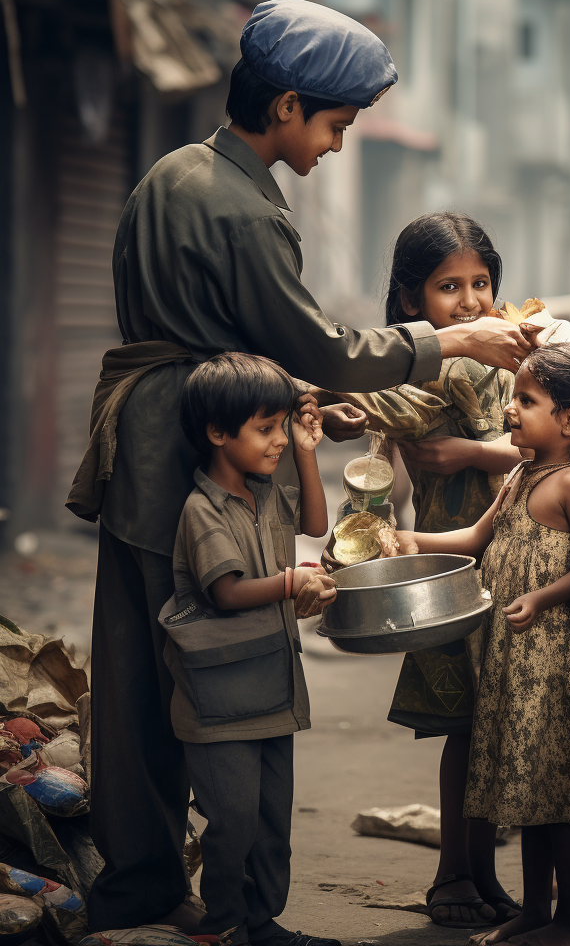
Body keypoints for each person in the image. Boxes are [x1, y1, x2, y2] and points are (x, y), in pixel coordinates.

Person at [66, 0, 530, 932]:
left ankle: (143, 878)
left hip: (144, 445)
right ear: (284, 107)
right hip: (202, 461)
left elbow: (229, 341)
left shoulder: (168, 174)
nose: (337, 145)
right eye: (334, 124)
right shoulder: (245, 211)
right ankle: (245, 905)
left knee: (132, 681)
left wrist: (295, 395)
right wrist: (460, 340)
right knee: (227, 672)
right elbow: (319, 346)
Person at [322, 213, 522, 928]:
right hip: (457, 570)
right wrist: (344, 404)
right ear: (411, 302)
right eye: (448, 287)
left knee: (483, 729)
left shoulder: (506, 359)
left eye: (480, 283)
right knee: (471, 728)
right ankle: (455, 877)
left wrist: (476, 453)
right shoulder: (446, 365)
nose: (470, 302)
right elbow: (389, 402)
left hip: (507, 561)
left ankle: (475, 875)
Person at [395, 344, 570, 946]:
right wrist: (404, 540)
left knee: (560, 800)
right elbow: (472, 537)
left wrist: (544, 598)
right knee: (526, 791)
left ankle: (569, 920)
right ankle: (533, 913)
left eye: (527, 401)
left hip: (554, 668)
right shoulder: (521, 476)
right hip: (511, 663)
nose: (512, 412)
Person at [159, 353, 335, 944]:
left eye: (283, 426)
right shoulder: (201, 509)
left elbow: (313, 521)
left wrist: (309, 452)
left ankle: (262, 921)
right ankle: (224, 921)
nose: (279, 440)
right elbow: (226, 591)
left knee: (270, 824)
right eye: (266, 429)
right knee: (231, 822)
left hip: (273, 693)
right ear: (217, 433)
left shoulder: (266, 493)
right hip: (217, 708)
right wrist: (292, 583)